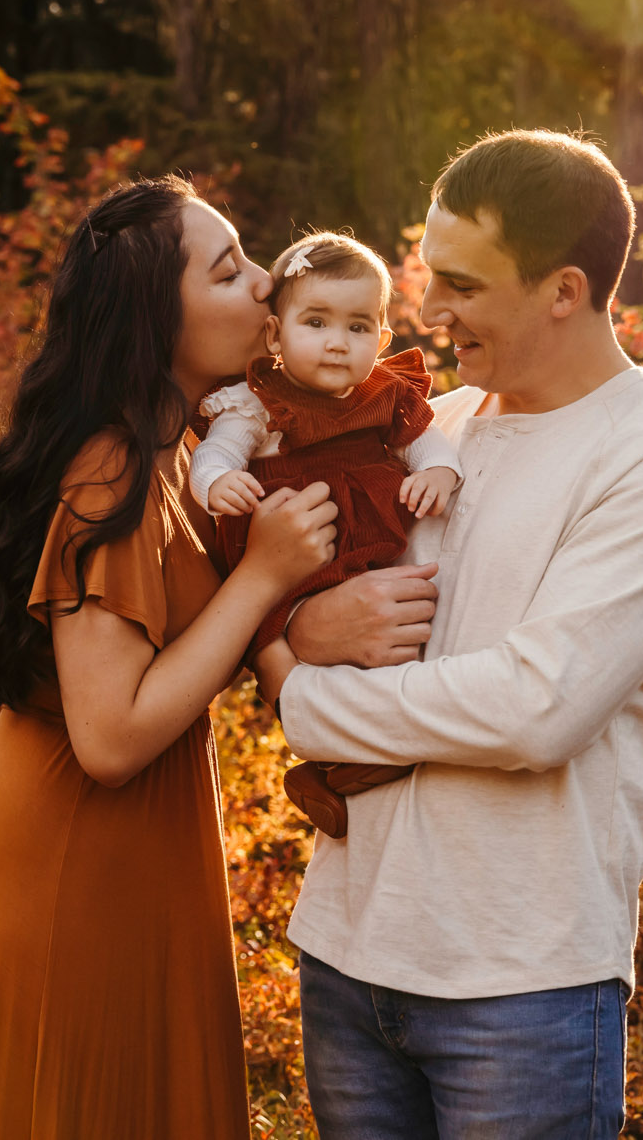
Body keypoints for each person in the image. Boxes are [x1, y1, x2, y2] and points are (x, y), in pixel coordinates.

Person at [254, 130, 643, 1139]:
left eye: (461, 285)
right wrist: (302, 619)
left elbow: (532, 709)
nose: (426, 314)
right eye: (429, 276)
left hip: (521, 985)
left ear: (562, 289)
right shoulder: (427, 430)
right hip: (345, 952)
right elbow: (297, 580)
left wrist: (299, 690)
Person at [0, 174, 339, 1140]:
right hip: (46, 904)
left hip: (98, 882)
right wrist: (261, 579)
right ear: (155, 320)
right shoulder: (115, 467)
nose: (266, 283)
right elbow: (108, 737)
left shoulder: (186, 454)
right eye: (229, 272)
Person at [188, 231, 461, 839]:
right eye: (316, 322)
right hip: (293, 571)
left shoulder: (384, 396)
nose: (338, 342)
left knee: (386, 663)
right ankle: (328, 760)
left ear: (383, 339)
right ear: (274, 335)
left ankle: (337, 773)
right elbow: (214, 455)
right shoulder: (256, 406)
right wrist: (217, 484)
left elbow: (426, 442)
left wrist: (440, 471)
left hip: (365, 562)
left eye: (359, 327)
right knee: (294, 665)